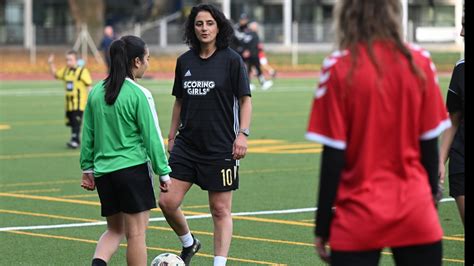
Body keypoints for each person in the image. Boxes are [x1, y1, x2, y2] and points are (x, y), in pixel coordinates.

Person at [305, 0, 451, 265]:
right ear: (395, 12)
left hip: (358, 213)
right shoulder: (420, 62)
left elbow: (333, 157)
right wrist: (430, 206)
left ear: (347, 14)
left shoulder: (337, 66)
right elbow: (428, 145)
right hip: (415, 210)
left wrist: (323, 225)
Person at [158, 4, 252, 266]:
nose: (204, 28)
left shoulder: (232, 60)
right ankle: (189, 243)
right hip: (187, 146)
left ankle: (219, 264)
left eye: (210, 23)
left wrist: (242, 135)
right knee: (167, 201)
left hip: (221, 147)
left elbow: (245, 101)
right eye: (199, 24)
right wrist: (171, 136)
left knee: (220, 210)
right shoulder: (184, 61)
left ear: (218, 27)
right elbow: (179, 102)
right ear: (193, 28)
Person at [80, 35, 172, 266]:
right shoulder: (140, 94)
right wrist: (164, 171)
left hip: (104, 173)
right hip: (132, 171)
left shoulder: (95, 92)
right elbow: (151, 137)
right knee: (136, 235)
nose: (148, 63)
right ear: (137, 62)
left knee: (114, 230)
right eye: (147, 58)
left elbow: (88, 133)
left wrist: (87, 168)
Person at [439, 13, 465, 227]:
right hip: (462, 159)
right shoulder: (461, 68)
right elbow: (453, 120)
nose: (462, 33)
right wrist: (440, 160)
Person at [48, 50, 92, 149]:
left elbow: (89, 85)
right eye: (67, 60)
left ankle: (75, 140)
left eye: (70, 60)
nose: (68, 62)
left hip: (79, 103)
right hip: (69, 103)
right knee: (71, 122)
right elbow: (55, 74)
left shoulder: (82, 71)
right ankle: (75, 139)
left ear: (76, 60)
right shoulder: (65, 70)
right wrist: (51, 63)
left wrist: (92, 99)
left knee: (76, 121)